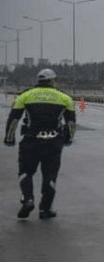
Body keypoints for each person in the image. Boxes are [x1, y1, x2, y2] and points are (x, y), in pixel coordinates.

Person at [3, 69, 75, 219]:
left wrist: (9, 138)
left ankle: (28, 199)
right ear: (53, 81)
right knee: (50, 175)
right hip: (54, 142)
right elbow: (71, 123)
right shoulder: (65, 98)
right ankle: (45, 209)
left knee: (25, 172)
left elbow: (14, 119)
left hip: (31, 140)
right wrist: (68, 139)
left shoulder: (25, 95)